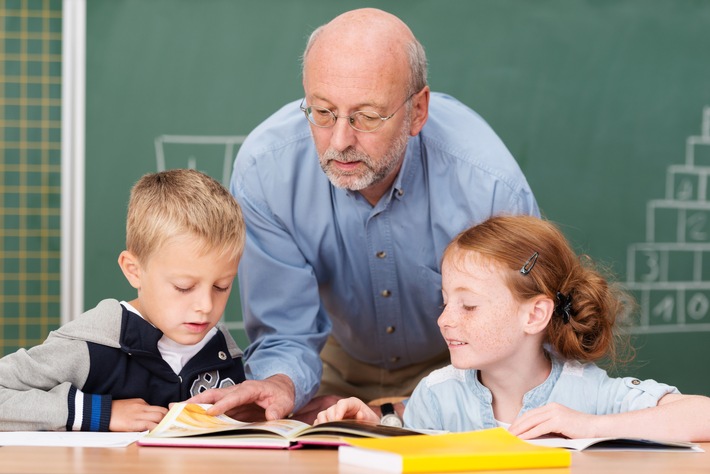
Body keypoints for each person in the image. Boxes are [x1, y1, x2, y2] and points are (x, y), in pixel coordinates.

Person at [190, 8, 538, 422]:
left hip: (461, 367)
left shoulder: (489, 186)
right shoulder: (266, 171)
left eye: (367, 116)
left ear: (418, 111)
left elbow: (519, 345)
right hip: (332, 366)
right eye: (322, 112)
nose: (339, 140)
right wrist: (280, 384)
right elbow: (287, 332)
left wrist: (412, 410)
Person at [314, 215, 710, 442]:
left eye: (468, 305)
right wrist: (379, 433)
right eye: (445, 300)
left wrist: (591, 426)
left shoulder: (588, 392)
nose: (445, 318)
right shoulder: (437, 397)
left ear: (535, 315)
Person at [0, 169, 247, 432]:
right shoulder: (91, 346)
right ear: (134, 271)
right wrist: (98, 413)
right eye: (183, 287)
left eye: (222, 286)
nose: (206, 306)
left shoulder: (222, 351)